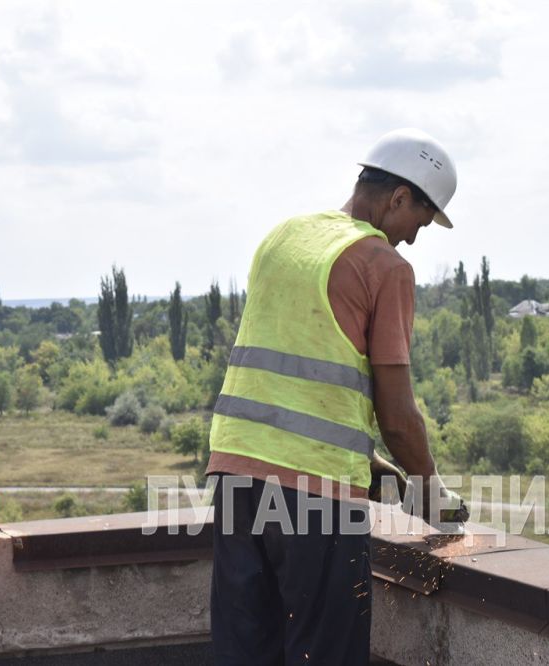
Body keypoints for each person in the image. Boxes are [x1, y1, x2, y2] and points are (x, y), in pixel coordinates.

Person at [206, 128, 467, 665]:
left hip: (236, 477)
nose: (413, 240)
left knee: (247, 651)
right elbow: (397, 416)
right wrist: (430, 493)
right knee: (326, 652)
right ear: (398, 197)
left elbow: (291, 367)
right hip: (315, 498)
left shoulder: (284, 236)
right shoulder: (384, 266)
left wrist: (362, 455)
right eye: (418, 222)